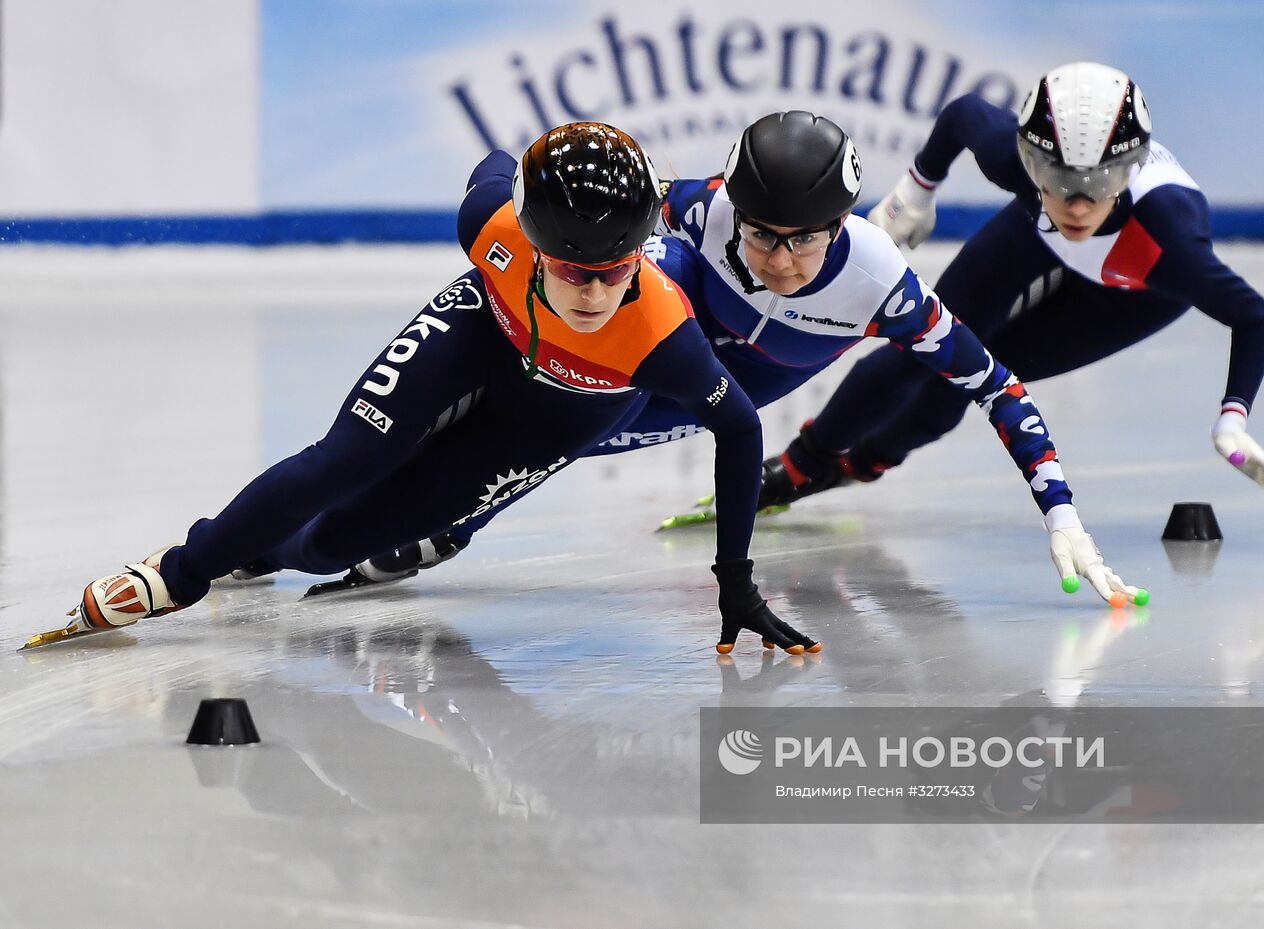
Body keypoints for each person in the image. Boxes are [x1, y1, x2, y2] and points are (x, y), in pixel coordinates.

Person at [54, 122, 819, 657]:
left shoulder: (662, 338)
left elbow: (742, 429)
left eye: (614, 271)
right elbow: (494, 164)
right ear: (531, 238)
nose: (590, 291)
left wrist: (735, 581)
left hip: (560, 414)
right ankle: (182, 569)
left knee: (332, 546)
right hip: (478, 331)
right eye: (569, 267)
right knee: (343, 458)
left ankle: (259, 548)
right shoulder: (493, 222)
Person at [355, 111, 1143, 606]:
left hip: (710, 387)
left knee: (583, 421)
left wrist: (1061, 509)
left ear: (839, 225)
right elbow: (589, 211)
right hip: (675, 327)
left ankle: (450, 519)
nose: (781, 258)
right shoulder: (704, 205)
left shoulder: (881, 285)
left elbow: (996, 386)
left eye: (804, 238)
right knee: (609, 313)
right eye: (762, 233)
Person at [774, 61, 1264, 513]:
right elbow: (962, 113)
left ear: (1130, 170)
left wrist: (1232, 420)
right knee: (927, 347)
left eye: (1101, 181)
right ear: (1030, 159)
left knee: (972, 377)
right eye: (1057, 176)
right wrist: (916, 191)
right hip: (1034, 235)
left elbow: (1255, 317)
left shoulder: (1169, 243)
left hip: (1134, 289)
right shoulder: (1014, 164)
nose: (1078, 205)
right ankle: (801, 465)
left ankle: (860, 465)